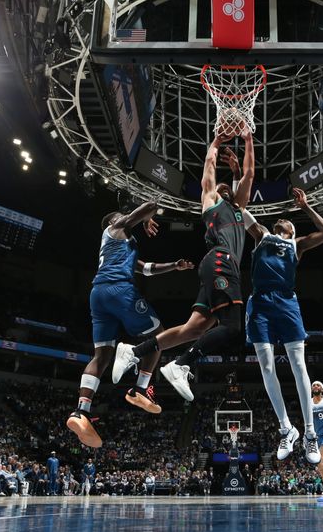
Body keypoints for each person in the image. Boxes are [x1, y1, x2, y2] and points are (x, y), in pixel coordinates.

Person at [117, 129, 256, 401]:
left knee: (193, 329)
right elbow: (210, 171)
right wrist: (217, 143)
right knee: (233, 327)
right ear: (215, 194)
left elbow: (248, 177)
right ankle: (181, 364)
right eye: (221, 187)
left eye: (229, 187)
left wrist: (244, 155)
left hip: (217, 266)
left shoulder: (238, 208)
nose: (224, 187)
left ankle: (132, 352)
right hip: (221, 261)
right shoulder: (211, 204)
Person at [67, 198, 194, 448]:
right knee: (158, 334)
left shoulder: (121, 247)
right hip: (118, 291)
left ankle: (81, 412)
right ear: (112, 222)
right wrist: (147, 217)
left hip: (99, 295)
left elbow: (147, 269)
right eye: (120, 216)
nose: (123, 217)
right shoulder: (114, 229)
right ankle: (140, 388)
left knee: (101, 355)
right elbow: (149, 206)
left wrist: (174, 266)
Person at [240, 187, 323, 465]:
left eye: (287, 220)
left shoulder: (298, 244)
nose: (282, 219)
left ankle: (309, 433)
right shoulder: (262, 235)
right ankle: (286, 429)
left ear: (292, 230)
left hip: (286, 302)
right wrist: (233, 185)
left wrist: (305, 207)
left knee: (299, 365)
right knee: (266, 366)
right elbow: (241, 210)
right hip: (259, 303)